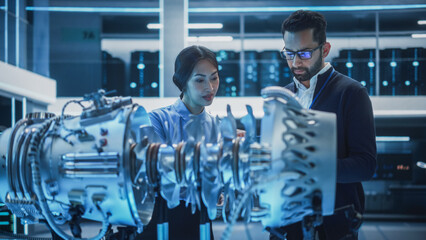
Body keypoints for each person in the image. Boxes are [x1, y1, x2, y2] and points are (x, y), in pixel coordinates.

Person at [271, 10, 377, 240]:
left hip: (334, 225)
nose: (295, 62)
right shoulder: (283, 96)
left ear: (325, 49)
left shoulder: (351, 93)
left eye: (305, 53)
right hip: (286, 222)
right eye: (288, 53)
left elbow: (366, 165)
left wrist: (314, 170)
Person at [137, 45, 219, 240]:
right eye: (200, 80)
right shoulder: (157, 120)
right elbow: (155, 171)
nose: (210, 87)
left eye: (214, 78)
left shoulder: (217, 126)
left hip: (201, 218)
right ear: (182, 83)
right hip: (161, 216)